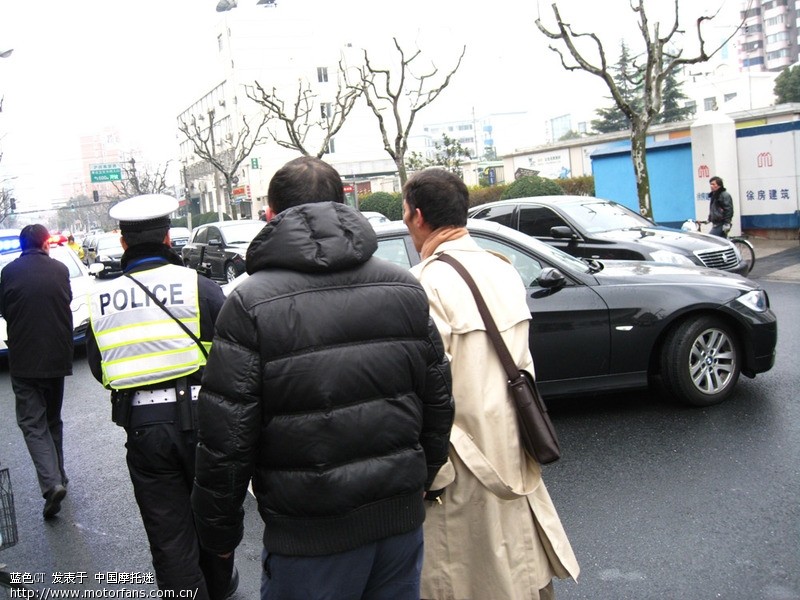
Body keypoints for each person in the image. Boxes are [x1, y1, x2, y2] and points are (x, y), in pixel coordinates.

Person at [191, 156, 454, 600]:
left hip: (308, 539)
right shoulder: (404, 287)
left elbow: (227, 437)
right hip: (398, 526)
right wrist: (417, 483)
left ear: (271, 214)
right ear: (344, 204)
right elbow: (438, 403)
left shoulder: (251, 303)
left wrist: (218, 534)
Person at [402, 168, 580, 600]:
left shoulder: (425, 284)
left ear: (418, 216)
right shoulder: (502, 270)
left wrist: (426, 470)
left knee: (465, 574)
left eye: (406, 213)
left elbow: (425, 390)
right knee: (515, 559)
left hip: (460, 458)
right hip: (512, 440)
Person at [85, 194, 235, 600]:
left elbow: (101, 369)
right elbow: (233, 355)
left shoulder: (100, 300)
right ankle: (220, 588)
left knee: (169, 535)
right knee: (214, 518)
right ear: (168, 238)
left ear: (123, 242)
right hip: (207, 421)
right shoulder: (200, 287)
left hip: (145, 428)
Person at [0, 224, 73, 519]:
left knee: (33, 424)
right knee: (53, 418)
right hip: (58, 358)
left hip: (24, 360)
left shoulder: (8, 272)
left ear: (22, 246)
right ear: (45, 244)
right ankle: (60, 475)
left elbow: (4, 309)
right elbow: (65, 300)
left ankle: (52, 482)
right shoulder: (60, 270)